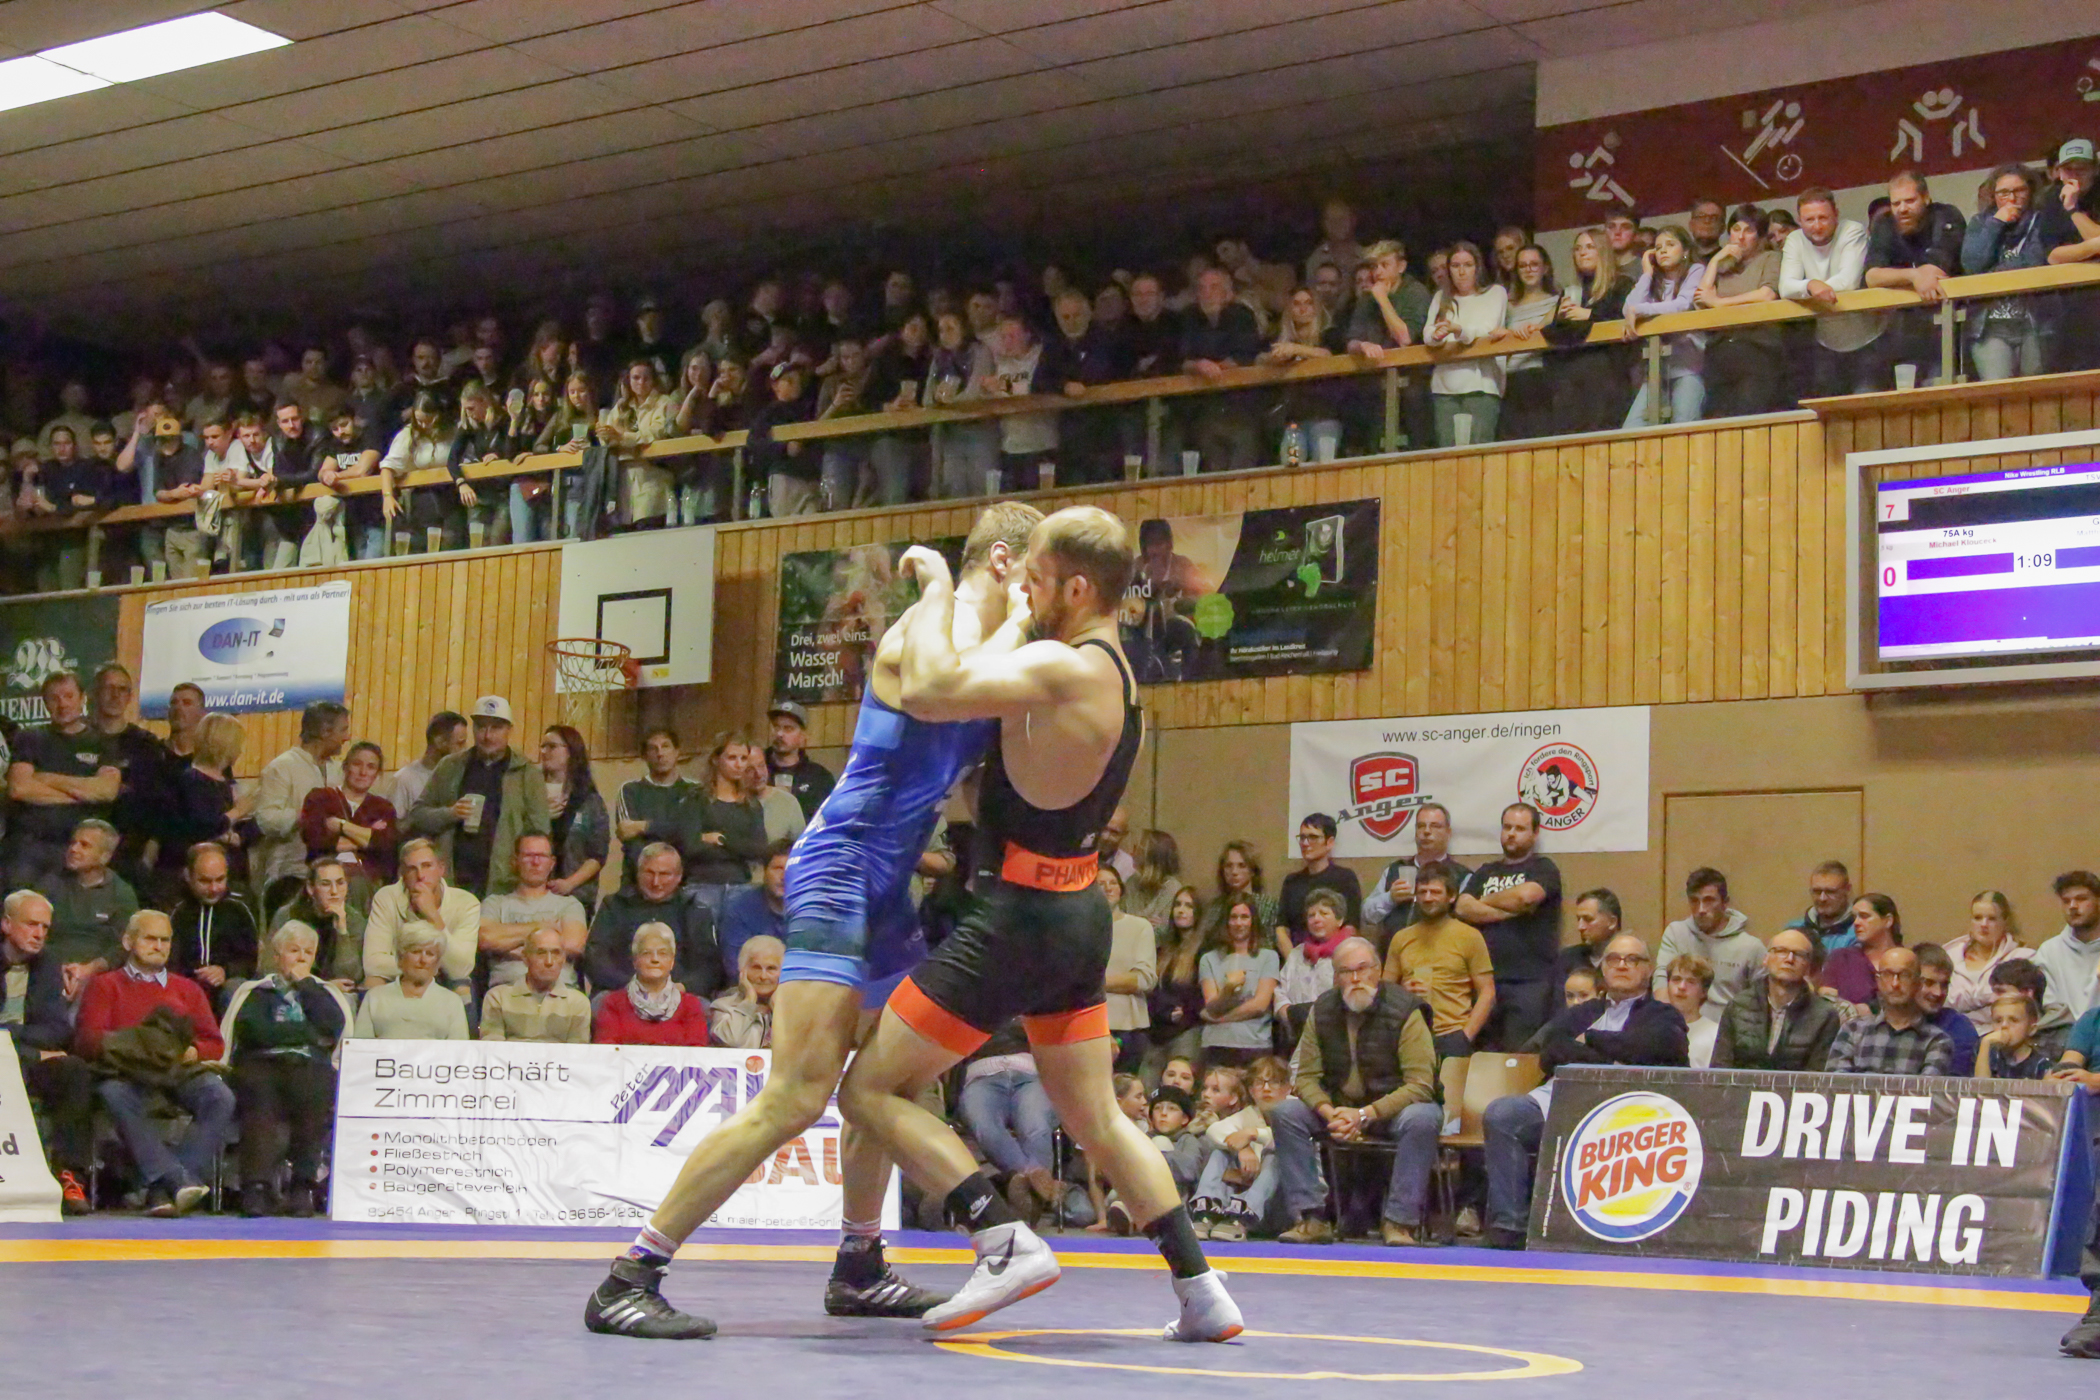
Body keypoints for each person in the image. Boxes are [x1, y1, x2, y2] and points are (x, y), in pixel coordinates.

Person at [584, 503, 1043, 1340]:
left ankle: (860, 1263)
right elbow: (945, 693)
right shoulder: (921, 630)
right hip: (834, 873)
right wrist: (967, 592)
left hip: (888, 885)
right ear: (1007, 562)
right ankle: (631, 1272)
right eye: (1038, 574)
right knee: (795, 1096)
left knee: (888, 1080)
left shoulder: (991, 653)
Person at [836, 506, 1242, 1341]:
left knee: (869, 1087)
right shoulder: (1114, 669)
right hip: (1075, 914)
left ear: (1078, 587)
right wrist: (1020, 612)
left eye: (1041, 579)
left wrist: (948, 587)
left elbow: (930, 688)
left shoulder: (1065, 664)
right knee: (1096, 1115)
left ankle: (1001, 1238)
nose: (1028, 589)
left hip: (1018, 921)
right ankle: (1203, 1291)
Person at [1479, 934, 1687, 1249]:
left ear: (1648, 969)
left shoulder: (1662, 1015)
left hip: (1624, 1115)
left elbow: (1657, 1046)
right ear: (1602, 968)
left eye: (1632, 960)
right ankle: (1510, 1226)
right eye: (1614, 959)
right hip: (1559, 1101)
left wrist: (1590, 1040)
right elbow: (1552, 1052)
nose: (1622, 965)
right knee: (1503, 1114)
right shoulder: (1581, 1012)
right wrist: (1613, 1056)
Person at [1273, 935, 1441, 1247]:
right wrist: (1330, 1112)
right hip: (1339, 1108)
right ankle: (1312, 1218)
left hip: (1390, 1111)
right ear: (1335, 977)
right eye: (1346, 972)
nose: (1356, 978)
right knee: (1286, 1112)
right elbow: (1305, 1077)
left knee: (1424, 1117)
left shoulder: (1406, 1010)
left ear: (1378, 970)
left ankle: (1399, 1223)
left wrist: (1364, 1115)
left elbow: (1421, 1084)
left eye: (1363, 969)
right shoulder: (1322, 1010)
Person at [75, 911, 237, 1216]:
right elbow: (87, 1042)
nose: (159, 946)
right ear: (128, 941)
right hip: (127, 1072)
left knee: (220, 1096)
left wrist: (193, 1051)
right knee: (113, 1093)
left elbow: (214, 1044)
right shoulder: (105, 985)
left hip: (178, 1069)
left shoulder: (188, 989)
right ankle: (176, 1180)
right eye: (150, 938)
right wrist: (138, 1047)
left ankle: (163, 1187)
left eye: (165, 940)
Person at [218, 922, 350, 1216]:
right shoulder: (253, 992)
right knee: (260, 1099)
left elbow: (333, 1027)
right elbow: (254, 1032)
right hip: (261, 1064)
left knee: (315, 1090)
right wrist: (306, 1034)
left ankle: (302, 1187)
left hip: (309, 1067)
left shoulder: (325, 993)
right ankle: (255, 1188)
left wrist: (305, 987)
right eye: (294, 951)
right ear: (277, 956)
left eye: (308, 952)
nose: (302, 958)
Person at [0, 890, 95, 1212]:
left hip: (25, 1059)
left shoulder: (48, 964)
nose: (39, 934)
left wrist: (16, 1040)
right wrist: (31, 1052)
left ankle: (70, 1176)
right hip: (20, 1058)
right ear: (6, 924)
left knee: (74, 1070)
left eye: (45, 927)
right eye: (31, 925)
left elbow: (57, 1029)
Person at [408, 694, 550, 900]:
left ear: (509, 729)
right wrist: (450, 814)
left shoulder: (527, 774)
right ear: (473, 729)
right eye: (481, 727)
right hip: (451, 883)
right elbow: (418, 815)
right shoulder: (450, 766)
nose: (487, 735)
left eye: (496, 728)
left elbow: (540, 832)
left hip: (504, 886)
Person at [1454, 802, 1562, 1050]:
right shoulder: (1485, 871)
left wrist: (1483, 904)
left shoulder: (1543, 868)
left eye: (1520, 828)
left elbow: (1526, 897)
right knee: (1482, 1057)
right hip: (1485, 982)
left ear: (1535, 834)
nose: (1512, 833)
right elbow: (1462, 907)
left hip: (1530, 982)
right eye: (1507, 827)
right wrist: (1509, 910)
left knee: (1519, 1058)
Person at [6, 671, 120, 889]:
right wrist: (84, 793)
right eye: (54, 698)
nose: (63, 704)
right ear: (45, 703)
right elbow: (19, 788)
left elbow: (107, 791)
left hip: (81, 851)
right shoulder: (30, 737)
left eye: (68, 696)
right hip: (30, 848)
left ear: (82, 698)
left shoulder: (102, 742)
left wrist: (44, 778)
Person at [1381, 862, 1494, 1058]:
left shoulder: (1470, 936)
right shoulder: (1401, 938)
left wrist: (1466, 1036)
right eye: (1422, 892)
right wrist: (1402, 993)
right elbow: (1383, 991)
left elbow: (1488, 992)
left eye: (1435, 892)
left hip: (1453, 1036)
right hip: (1410, 1036)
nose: (1427, 898)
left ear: (1451, 896)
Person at [583, 843, 722, 997]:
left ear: (678, 876)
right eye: (649, 873)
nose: (656, 882)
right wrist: (633, 987)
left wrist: (681, 988)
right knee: (600, 1003)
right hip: (622, 992)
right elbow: (595, 958)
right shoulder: (615, 905)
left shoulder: (694, 910)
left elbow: (709, 967)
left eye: (664, 874)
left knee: (704, 1009)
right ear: (638, 873)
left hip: (679, 995)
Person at [251, 700, 351, 908]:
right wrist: (307, 816)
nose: (347, 737)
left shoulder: (339, 770)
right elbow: (266, 819)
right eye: (343, 730)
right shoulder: (282, 767)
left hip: (331, 877)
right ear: (325, 731)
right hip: (289, 876)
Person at [37, 819, 139, 1002]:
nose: (74, 849)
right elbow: (33, 930)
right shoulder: (50, 884)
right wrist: (55, 969)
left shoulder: (122, 893)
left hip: (99, 977)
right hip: (48, 970)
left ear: (105, 856)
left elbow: (124, 945)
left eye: (84, 845)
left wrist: (89, 970)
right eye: (73, 843)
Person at [361, 838, 481, 994]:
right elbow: (373, 963)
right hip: (401, 976)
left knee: (462, 987)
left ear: (441, 869)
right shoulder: (386, 897)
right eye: (412, 869)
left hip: (444, 978)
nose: (420, 875)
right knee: (373, 982)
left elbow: (461, 968)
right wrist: (421, 968)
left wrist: (433, 916)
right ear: (402, 874)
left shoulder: (466, 903)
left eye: (427, 866)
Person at [1711, 929, 1839, 1071]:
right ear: (1766, 958)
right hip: (1740, 1092)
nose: (1789, 959)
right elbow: (1719, 1070)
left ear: (1808, 966)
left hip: (1795, 1092)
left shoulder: (1825, 1016)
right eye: (1781, 951)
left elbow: (1817, 1078)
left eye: (1799, 955)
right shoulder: (1738, 1006)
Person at [479, 832, 588, 989]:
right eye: (528, 855)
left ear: (552, 863)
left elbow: (573, 944)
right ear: (515, 861)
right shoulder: (495, 903)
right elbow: (486, 938)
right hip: (507, 992)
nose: (535, 862)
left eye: (542, 856)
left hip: (560, 993)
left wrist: (510, 943)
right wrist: (543, 927)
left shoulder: (569, 904)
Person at [1359, 803, 1466, 960]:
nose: (1427, 831)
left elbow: (1467, 922)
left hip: (1442, 960)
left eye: (1435, 826)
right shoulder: (1395, 870)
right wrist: (1390, 898)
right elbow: (1367, 914)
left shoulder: (1461, 875)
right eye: (1421, 826)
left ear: (1448, 833)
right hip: (1395, 961)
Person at [1825, 946, 1952, 1075]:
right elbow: (1835, 1087)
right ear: (1878, 981)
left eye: (1905, 975)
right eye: (1887, 975)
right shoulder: (1852, 1030)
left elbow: (1926, 1091)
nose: (1895, 984)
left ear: (1918, 984)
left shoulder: (1937, 1041)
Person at [1651, 867, 1761, 1015]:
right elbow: (1662, 981)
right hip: (1681, 1025)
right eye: (1694, 901)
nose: (1701, 909)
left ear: (1725, 903)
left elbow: (1761, 1002)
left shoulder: (1751, 947)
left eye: (1709, 901)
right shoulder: (1676, 933)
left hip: (1727, 1029)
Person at [169, 843, 261, 1013]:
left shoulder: (242, 905)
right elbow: (168, 958)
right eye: (205, 881)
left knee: (236, 991)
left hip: (229, 983)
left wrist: (224, 971)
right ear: (188, 876)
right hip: (184, 982)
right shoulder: (174, 906)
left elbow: (251, 959)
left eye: (220, 880)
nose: (214, 888)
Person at [1187, 1065, 1276, 1241]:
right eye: (1205, 1088)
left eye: (1215, 1090)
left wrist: (1250, 1137)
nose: (1205, 1094)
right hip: (1229, 1198)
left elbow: (1280, 1141)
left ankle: (1243, 1216)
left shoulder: (1287, 1112)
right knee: (1220, 1153)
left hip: (1268, 1204)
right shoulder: (1232, 1119)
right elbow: (1215, 1130)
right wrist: (1242, 1148)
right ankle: (1206, 1211)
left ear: (1233, 1098)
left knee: (1275, 1156)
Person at [298, 739, 398, 891]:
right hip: (324, 880)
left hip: (370, 883)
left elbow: (386, 844)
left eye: (371, 767)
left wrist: (341, 826)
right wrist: (367, 836)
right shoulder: (319, 798)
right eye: (357, 764)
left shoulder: (383, 807)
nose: (363, 772)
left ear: (377, 774)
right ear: (345, 767)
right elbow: (316, 840)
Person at [596, 922, 713, 1046]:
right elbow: (606, 1053)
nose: (655, 959)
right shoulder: (613, 1003)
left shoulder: (690, 1005)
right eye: (646, 953)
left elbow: (696, 1054)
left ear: (672, 961)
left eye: (663, 953)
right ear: (635, 961)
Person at [1198, 896, 1281, 1068]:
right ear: (1226, 922)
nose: (1239, 923)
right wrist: (1228, 990)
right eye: (1233, 917)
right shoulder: (1209, 959)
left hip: (1254, 1044)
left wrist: (1220, 1019)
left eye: (1244, 917)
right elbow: (1212, 1006)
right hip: (1217, 1043)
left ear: (1253, 921)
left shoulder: (1268, 956)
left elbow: (1260, 1005)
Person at [351, 924, 470, 1040]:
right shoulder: (375, 997)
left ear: (437, 964)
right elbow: (360, 1048)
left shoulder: (452, 1002)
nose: (423, 960)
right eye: (416, 952)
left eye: (430, 954)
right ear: (400, 958)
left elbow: (459, 1053)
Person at [480, 925, 592, 1043]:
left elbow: (577, 1055)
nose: (549, 962)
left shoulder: (578, 1003)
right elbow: (492, 1052)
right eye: (541, 953)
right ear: (525, 957)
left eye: (556, 953)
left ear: (563, 959)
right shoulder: (497, 998)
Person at [540, 724, 609, 914]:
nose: (545, 752)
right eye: (543, 746)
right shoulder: (530, 794)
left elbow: (597, 854)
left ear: (571, 751)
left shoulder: (590, 800)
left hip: (576, 895)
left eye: (552, 746)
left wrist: (569, 883)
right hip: (534, 894)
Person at [1945, 890, 2035, 1032]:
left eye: (1992, 918)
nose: (1984, 925)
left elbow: (2018, 1005)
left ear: (2005, 921)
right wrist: (1990, 994)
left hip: (2002, 1035)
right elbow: (1942, 999)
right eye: (1977, 918)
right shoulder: (1949, 957)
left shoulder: (2023, 958)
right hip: (1951, 1035)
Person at [271, 857, 366, 988]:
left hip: (336, 993)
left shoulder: (354, 920)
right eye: (326, 884)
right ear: (311, 888)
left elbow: (349, 977)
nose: (334, 891)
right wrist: (322, 986)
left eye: (340, 883)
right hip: (292, 988)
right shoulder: (287, 916)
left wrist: (342, 931)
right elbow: (272, 968)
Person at [1275, 813, 1361, 956]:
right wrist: (1296, 963)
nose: (1306, 843)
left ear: (1329, 842)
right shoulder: (1291, 882)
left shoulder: (1345, 878)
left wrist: (1323, 956)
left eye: (1313, 837)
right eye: (1302, 838)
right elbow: (1282, 929)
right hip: (1297, 960)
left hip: (1335, 959)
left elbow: (1351, 928)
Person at [617, 727, 697, 880]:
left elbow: (693, 836)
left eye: (666, 746)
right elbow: (628, 835)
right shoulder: (630, 790)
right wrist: (676, 829)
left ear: (677, 752)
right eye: (653, 749)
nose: (660, 754)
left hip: (684, 880)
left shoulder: (694, 791)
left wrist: (644, 826)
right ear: (645, 756)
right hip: (639, 880)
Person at [1096, 866, 1157, 1062]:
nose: (1108, 888)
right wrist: (1123, 981)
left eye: (1113, 883)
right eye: (1101, 884)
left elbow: (1144, 979)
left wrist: (1095, 983)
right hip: (1089, 1024)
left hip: (1128, 1027)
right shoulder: (1079, 928)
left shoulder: (1140, 927)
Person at [2034, 871, 2100, 1024]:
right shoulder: (2049, 952)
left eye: (2081, 899)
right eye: (2066, 901)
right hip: (2062, 1036)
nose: (2073, 906)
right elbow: (2048, 1009)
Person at [1820, 892, 1901, 1009]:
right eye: (1854, 918)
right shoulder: (1841, 959)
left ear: (1888, 921)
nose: (1856, 923)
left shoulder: (1907, 960)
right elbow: (1826, 1002)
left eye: (1864, 916)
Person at [1913, 943, 1981, 1073]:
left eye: (1944, 985)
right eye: (1929, 983)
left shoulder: (1959, 1028)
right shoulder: (1888, 1022)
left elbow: (1955, 1087)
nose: (1938, 992)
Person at [708, 934, 783, 1049]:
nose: (763, 976)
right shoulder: (723, 1007)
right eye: (756, 968)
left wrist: (779, 1010)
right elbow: (731, 1041)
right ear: (742, 971)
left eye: (771, 968)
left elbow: (799, 1051)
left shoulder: (796, 1011)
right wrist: (749, 1002)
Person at [387, 711, 467, 818]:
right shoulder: (404, 780)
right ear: (439, 741)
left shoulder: (460, 776)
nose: (465, 749)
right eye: (460, 743)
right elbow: (394, 826)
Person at [765, 700, 835, 820]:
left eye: (788, 729)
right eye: (776, 727)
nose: (780, 734)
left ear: (803, 735)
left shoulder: (819, 777)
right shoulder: (756, 769)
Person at [1552, 888, 1621, 990]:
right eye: (1578, 920)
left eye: (1588, 919)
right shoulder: (1568, 958)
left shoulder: (1627, 961)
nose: (1580, 927)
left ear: (1612, 922)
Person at [1977, 991, 2053, 1080]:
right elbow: (1980, 1090)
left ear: (2031, 1029)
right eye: (1998, 1021)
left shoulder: (2041, 1064)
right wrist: (1985, 1045)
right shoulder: (1986, 1053)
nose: (2004, 1025)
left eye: (2013, 1020)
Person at [1661, 954, 1718, 1068]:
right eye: (1676, 980)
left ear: (1703, 991)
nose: (1682, 987)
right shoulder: (1653, 1028)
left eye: (1691, 982)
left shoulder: (1716, 1034)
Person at [1785, 860, 1855, 951]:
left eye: (1830, 892)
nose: (1822, 898)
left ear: (1847, 890)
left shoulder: (1858, 932)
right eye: (1817, 892)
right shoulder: (1794, 930)